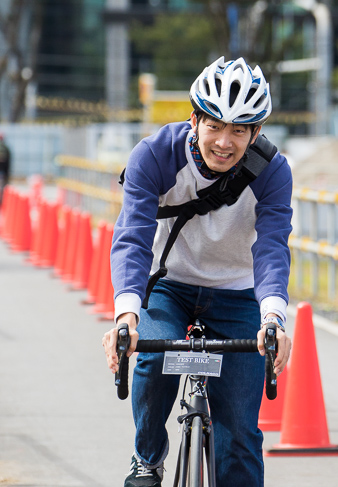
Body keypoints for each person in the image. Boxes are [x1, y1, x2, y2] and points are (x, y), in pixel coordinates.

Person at [101, 56, 293, 487]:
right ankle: (146, 459)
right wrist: (126, 315)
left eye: (239, 130)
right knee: (152, 358)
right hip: (172, 285)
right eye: (215, 126)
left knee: (240, 437)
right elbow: (132, 236)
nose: (225, 142)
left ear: (256, 132)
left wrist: (273, 317)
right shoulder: (155, 154)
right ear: (194, 120)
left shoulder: (273, 171)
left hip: (240, 293)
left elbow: (272, 245)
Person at [0, 134, 11, 204]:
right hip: (3, 172)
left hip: (3, 171)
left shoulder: (5, 148)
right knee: (3, 187)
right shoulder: (6, 148)